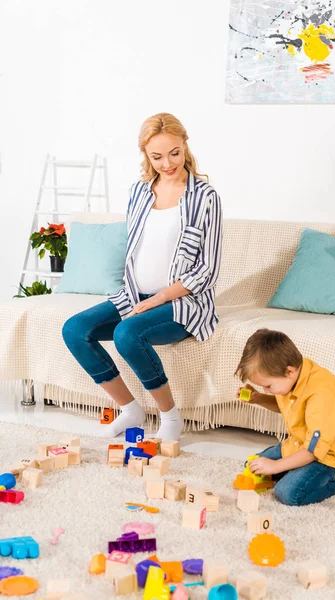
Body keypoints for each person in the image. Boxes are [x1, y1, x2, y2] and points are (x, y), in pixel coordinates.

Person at [62, 113, 223, 440]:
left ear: (185, 146)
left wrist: (160, 298)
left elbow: (208, 269)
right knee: (75, 329)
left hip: (182, 303)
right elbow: (134, 250)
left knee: (127, 334)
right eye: (157, 156)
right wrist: (135, 297)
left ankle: (170, 418)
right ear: (146, 156)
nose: (168, 163)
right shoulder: (139, 192)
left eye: (174, 153)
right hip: (134, 295)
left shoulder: (205, 198)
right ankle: (130, 410)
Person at [235, 328, 335, 506]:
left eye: (268, 386)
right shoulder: (293, 375)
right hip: (300, 444)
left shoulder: (321, 394)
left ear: (289, 372)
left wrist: (276, 466)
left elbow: (313, 452)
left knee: (287, 493)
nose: (267, 390)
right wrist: (259, 398)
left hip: (329, 457)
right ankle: (294, 470)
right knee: (253, 466)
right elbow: (286, 404)